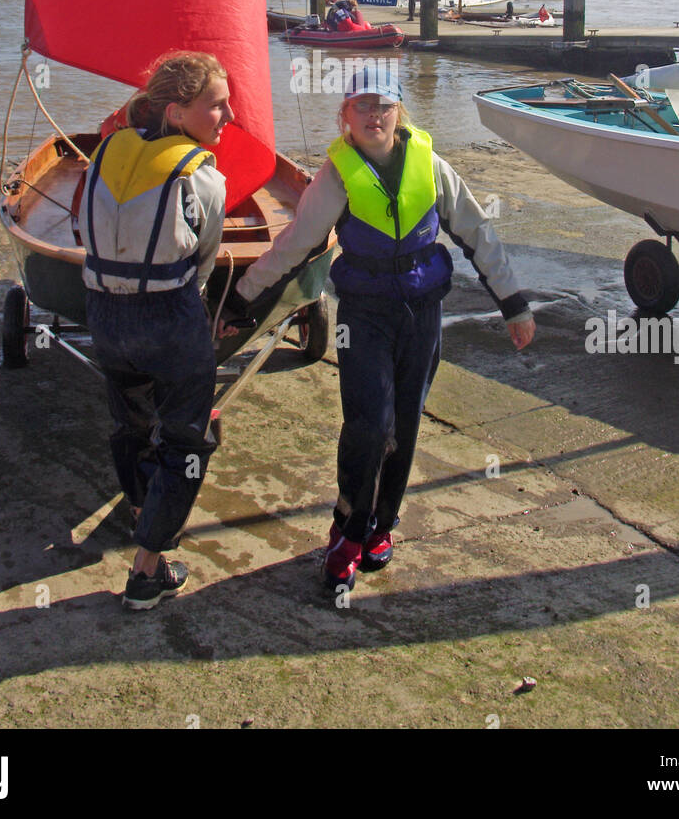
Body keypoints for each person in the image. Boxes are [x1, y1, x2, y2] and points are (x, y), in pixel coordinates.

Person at [226, 63, 535, 592]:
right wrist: (243, 298)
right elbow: (295, 245)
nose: (374, 115)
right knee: (369, 425)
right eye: (362, 105)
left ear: (399, 112)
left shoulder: (429, 164)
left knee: (406, 424)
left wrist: (513, 303)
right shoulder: (336, 175)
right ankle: (347, 531)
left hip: (422, 312)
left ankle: (383, 523)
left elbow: (476, 231)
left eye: (384, 105)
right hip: (364, 315)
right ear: (345, 114)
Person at [81, 50, 234, 610]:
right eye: (216, 106)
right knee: (189, 440)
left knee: (130, 425)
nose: (229, 116)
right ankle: (148, 568)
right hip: (168, 319)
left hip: (104, 316)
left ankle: (144, 509)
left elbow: (86, 230)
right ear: (176, 112)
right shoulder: (203, 176)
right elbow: (205, 263)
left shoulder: (103, 154)